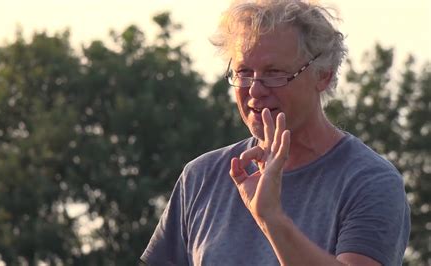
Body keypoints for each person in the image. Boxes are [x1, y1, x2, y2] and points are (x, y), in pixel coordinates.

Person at [141, 0, 410, 265]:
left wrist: (271, 218)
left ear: (323, 75)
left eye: (274, 73)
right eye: (244, 72)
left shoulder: (370, 181)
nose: (255, 90)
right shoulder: (201, 176)